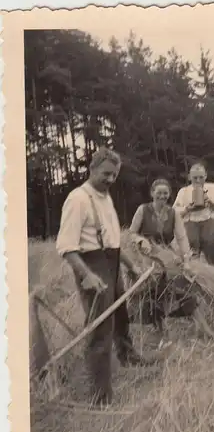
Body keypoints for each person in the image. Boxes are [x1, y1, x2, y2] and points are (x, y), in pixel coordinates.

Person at [56, 147, 146, 407]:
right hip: (92, 264)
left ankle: (128, 357)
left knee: (121, 315)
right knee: (100, 327)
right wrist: (88, 275)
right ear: (92, 169)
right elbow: (66, 248)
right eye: (106, 173)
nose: (110, 179)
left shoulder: (106, 198)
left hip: (112, 261)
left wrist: (129, 265)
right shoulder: (78, 199)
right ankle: (100, 394)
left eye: (114, 175)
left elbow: (113, 240)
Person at [129, 178, 195, 338]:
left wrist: (187, 260)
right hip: (144, 253)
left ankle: (173, 317)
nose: (162, 196)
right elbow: (131, 233)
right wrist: (141, 240)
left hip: (165, 253)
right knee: (152, 282)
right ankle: (151, 320)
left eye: (165, 193)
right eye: (159, 193)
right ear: (152, 193)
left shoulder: (173, 213)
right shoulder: (143, 210)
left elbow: (182, 237)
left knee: (179, 279)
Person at [173, 163, 214, 267]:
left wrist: (212, 204)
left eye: (201, 177)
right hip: (190, 225)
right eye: (195, 178)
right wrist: (187, 209)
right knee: (189, 260)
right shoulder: (183, 191)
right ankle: (191, 280)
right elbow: (174, 212)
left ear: (206, 176)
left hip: (210, 224)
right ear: (189, 177)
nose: (198, 180)